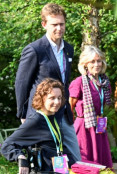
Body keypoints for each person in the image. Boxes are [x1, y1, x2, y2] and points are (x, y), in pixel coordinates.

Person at [14, 3, 81, 162]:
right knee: (44, 162)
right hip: (41, 114)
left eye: (62, 24)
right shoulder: (35, 49)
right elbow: (22, 84)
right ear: (44, 24)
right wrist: (23, 114)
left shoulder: (68, 49)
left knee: (75, 159)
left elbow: (64, 82)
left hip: (63, 113)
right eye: (54, 24)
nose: (59, 28)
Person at [1, 78, 76, 173]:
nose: (57, 102)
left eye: (59, 98)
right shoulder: (36, 120)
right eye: (52, 98)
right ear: (42, 98)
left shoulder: (53, 118)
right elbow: (7, 145)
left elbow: (58, 146)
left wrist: (75, 165)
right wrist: (20, 157)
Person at [69, 46, 113, 168]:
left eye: (99, 61)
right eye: (92, 61)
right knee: (86, 163)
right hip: (84, 128)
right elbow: (68, 107)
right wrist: (69, 130)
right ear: (85, 64)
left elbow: (106, 105)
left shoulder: (105, 82)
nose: (96, 64)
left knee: (101, 163)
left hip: (100, 126)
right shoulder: (78, 82)